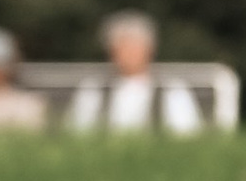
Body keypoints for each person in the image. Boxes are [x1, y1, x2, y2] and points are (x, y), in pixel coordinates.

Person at [67, 12, 201, 137]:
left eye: (135, 46)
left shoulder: (172, 90)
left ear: (150, 50)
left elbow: (187, 136)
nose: (129, 54)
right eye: (122, 47)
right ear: (111, 51)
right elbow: (78, 135)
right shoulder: (94, 90)